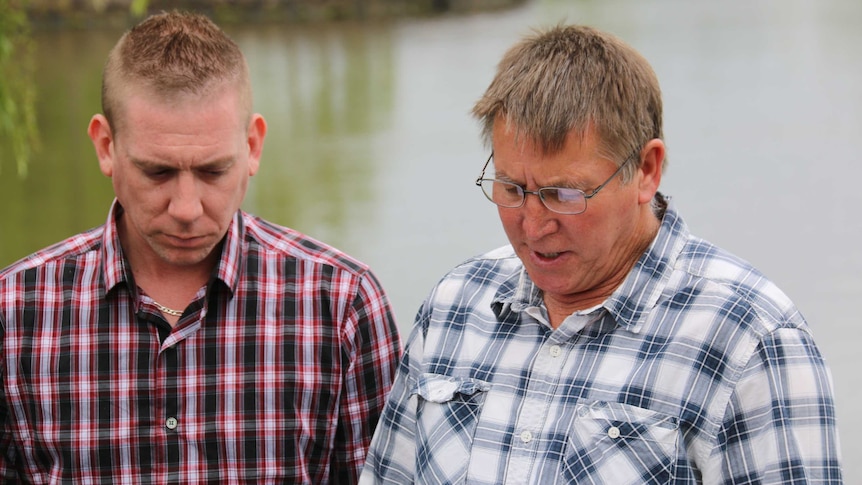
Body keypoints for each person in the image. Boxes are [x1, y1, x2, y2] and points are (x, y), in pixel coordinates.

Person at [360, 24, 843, 484]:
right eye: (510, 188)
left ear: (647, 170)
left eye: (564, 195)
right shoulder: (454, 305)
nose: (532, 225)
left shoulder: (750, 341)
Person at [0, 11, 401, 483]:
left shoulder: (341, 306)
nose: (187, 208)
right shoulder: (14, 312)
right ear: (106, 145)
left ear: (252, 146)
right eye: (157, 172)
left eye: (213, 171)